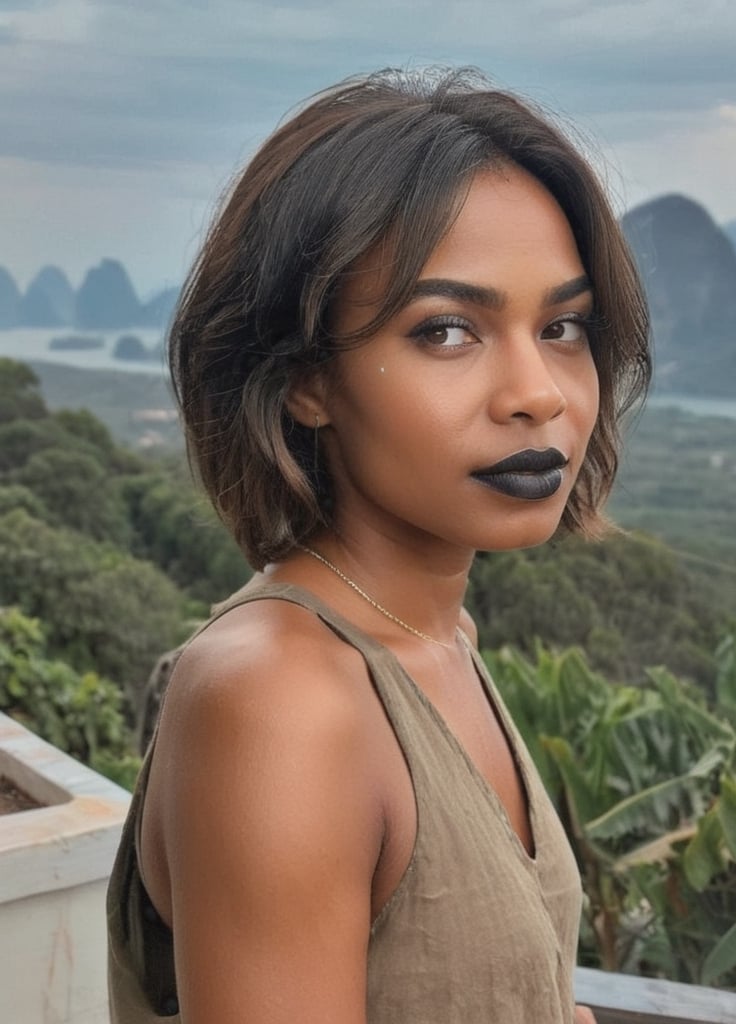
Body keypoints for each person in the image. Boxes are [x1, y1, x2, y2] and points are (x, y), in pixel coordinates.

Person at [107, 67, 650, 1023]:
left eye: (563, 327)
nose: (540, 392)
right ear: (306, 378)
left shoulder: (441, 641)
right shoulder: (282, 698)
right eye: (446, 331)